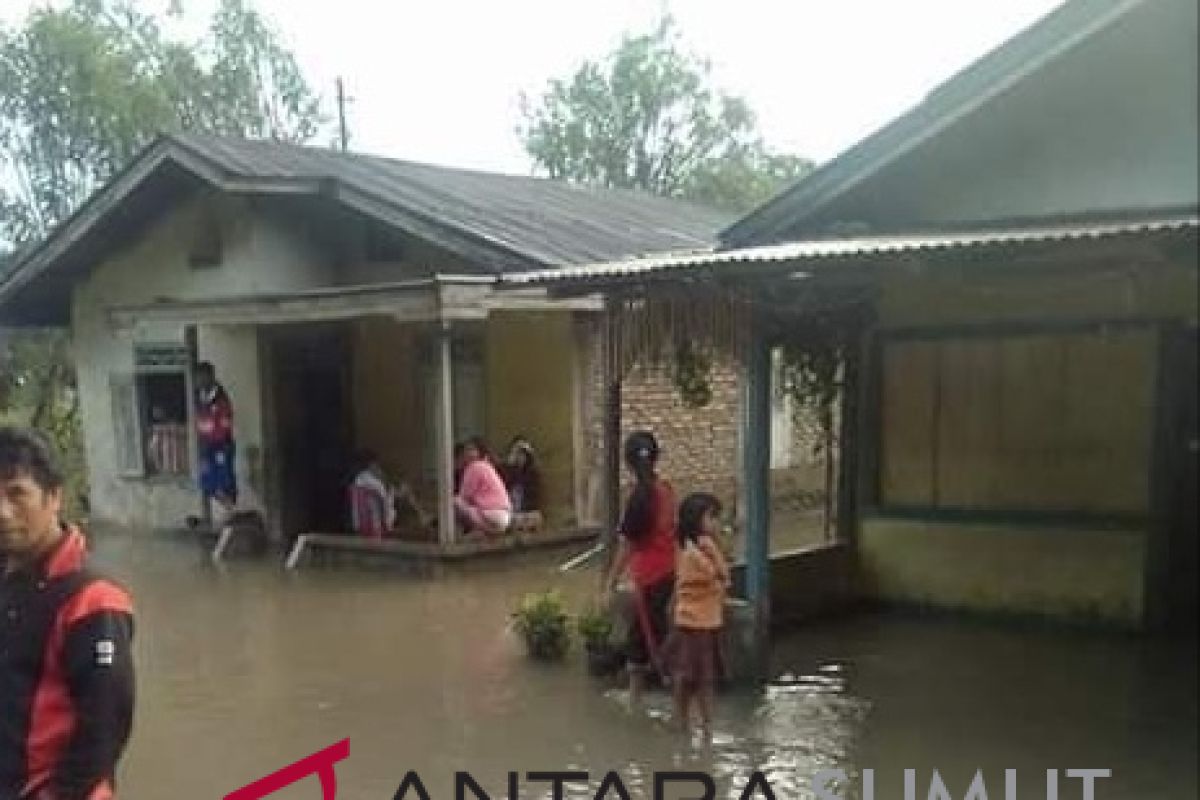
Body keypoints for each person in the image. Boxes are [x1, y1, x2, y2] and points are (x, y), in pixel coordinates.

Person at [0, 427, 135, 799]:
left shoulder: (93, 601)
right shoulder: (8, 580)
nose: (3, 512)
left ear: (54, 497)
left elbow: (104, 727)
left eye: (17, 494)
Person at [602, 431, 677, 703]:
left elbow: (628, 546)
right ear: (656, 458)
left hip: (648, 579)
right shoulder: (667, 490)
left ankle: (637, 703)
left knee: (641, 641)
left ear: (627, 463)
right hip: (670, 572)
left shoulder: (639, 498)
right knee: (656, 634)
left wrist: (609, 585)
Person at [663, 493, 730, 738]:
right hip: (694, 624)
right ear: (696, 520)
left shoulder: (697, 549)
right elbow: (721, 575)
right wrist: (714, 550)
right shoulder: (694, 553)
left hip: (706, 623)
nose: (716, 524)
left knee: (701, 679)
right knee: (690, 677)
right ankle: (688, 722)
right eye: (712, 517)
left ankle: (702, 724)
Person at [194, 361, 237, 523]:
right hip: (207, 447)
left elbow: (224, 425)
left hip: (221, 446)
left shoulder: (221, 398)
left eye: (200, 378)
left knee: (224, 481)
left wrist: (217, 442)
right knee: (206, 483)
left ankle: (232, 513)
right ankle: (231, 511)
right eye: (196, 378)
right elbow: (201, 423)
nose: (197, 382)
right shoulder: (200, 397)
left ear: (209, 377)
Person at [453, 436, 512, 537]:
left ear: (480, 451)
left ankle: (454, 534)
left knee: (454, 502)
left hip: (490, 515)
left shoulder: (474, 467)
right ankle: (481, 532)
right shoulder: (487, 466)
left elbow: (464, 496)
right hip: (504, 516)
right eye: (466, 450)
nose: (467, 453)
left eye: (471, 449)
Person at [349, 450, 397, 539]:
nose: (378, 468)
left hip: (371, 524)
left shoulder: (368, 480)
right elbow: (381, 501)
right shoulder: (366, 480)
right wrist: (385, 522)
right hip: (372, 524)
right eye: (376, 464)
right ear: (370, 464)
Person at [501, 436, 542, 514]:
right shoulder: (506, 470)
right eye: (516, 453)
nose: (519, 457)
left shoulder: (532, 473)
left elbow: (534, 497)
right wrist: (510, 465)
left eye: (522, 453)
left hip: (526, 511)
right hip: (507, 511)